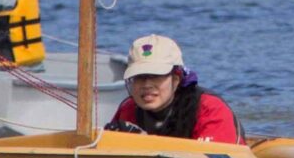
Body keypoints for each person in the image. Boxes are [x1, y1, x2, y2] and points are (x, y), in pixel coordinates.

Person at [104, 35, 242, 144]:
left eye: (156, 76)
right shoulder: (128, 109)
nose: (147, 84)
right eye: (139, 77)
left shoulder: (209, 108)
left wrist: (144, 142)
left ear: (176, 80)